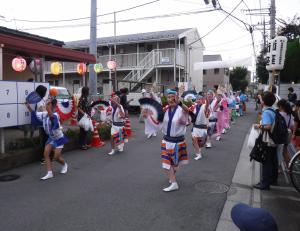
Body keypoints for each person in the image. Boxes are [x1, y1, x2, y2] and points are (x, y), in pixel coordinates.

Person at [25, 99, 68, 180]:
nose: (46, 104)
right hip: (51, 138)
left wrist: (47, 107)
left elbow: (52, 118)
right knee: (46, 153)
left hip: (59, 138)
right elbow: (34, 114)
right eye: (46, 103)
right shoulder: (44, 114)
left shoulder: (56, 115)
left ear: (52, 105)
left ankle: (64, 164)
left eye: (48, 103)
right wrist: (28, 106)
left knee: (56, 157)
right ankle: (49, 173)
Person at [161, 89, 189, 192]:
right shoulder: (166, 109)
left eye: (172, 97)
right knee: (166, 163)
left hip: (177, 142)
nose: (170, 99)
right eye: (168, 97)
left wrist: (180, 103)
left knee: (174, 165)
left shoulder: (181, 109)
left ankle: (172, 179)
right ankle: (173, 182)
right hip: (166, 141)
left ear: (176, 98)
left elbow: (187, 111)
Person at [253, 92, 278, 190]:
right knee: (272, 161)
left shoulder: (267, 112)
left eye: (262, 99)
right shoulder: (273, 110)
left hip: (268, 141)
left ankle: (265, 183)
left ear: (264, 101)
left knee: (266, 162)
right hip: (274, 140)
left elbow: (267, 126)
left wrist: (258, 126)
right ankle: (272, 180)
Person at [190, 94, 210, 160]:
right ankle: (199, 154)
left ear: (202, 100)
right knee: (194, 139)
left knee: (201, 143)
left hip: (203, 128)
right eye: (197, 99)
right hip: (195, 127)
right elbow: (189, 112)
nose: (198, 100)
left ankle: (199, 150)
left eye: (200, 99)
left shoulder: (204, 106)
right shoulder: (194, 107)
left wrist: (207, 99)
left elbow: (207, 105)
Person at [277, 99, 294, 166]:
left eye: (278, 106)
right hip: (287, 135)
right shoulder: (290, 115)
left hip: (280, 135)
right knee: (285, 152)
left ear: (281, 106)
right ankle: (289, 166)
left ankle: (278, 168)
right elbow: (292, 125)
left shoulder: (280, 114)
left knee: (278, 152)